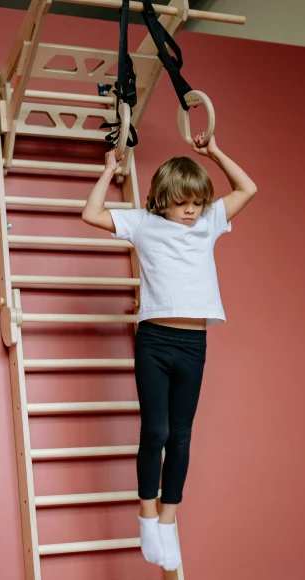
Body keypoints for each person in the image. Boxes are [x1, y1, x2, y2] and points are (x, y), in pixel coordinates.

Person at [82, 133, 257, 571]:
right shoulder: (143, 223)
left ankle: (168, 520)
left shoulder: (209, 224)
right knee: (155, 431)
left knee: (181, 435)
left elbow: (248, 189)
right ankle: (146, 514)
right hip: (156, 341)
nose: (192, 210)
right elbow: (91, 213)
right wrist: (109, 170)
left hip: (193, 343)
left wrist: (213, 151)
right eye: (183, 203)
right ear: (162, 199)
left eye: (198, 201)